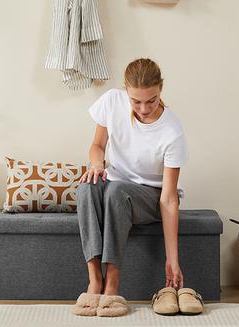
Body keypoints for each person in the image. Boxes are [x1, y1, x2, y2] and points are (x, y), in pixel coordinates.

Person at [71, 58, 197, 317]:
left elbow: (169, 199)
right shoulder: (111, 101)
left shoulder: (172, 131)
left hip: (151, 197)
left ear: (160, 89)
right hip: (116, 187)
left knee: (116, 191)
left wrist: (172, 259)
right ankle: (94, 280)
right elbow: (97, 146)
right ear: (126, 91)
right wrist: (97, 165)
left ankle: (112, 284)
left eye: (151, 100)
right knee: (86, 187)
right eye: (135, 101)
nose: (143, 108)